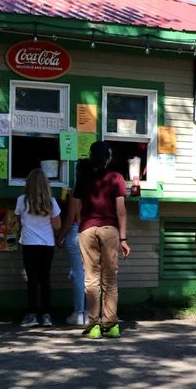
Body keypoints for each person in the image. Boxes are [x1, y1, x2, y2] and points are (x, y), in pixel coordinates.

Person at [71, 141, 130, 339]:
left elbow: (77, 209)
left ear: (90, 156)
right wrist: (123, 238)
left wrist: (83, 224)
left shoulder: (82, 178)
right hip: (110, 229)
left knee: (91, 278)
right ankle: (111, 325)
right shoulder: (117, 178)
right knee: (110, 279)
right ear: (109, 158)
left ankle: (94, 325)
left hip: (87, 229)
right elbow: (121, 212)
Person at [15, 168, 61, 327]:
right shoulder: (51, 202)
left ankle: (32, 314)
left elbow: (19, 220)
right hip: (47, 244)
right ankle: (47, 315)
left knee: (32, 280)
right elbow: (57, 225)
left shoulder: (22, 200)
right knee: (45, 279)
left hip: (29, 243)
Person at [56, 160, 88, 326]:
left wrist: (60, 236)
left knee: (78, 274)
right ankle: (90, 312)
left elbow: (71, 217)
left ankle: (79, 312)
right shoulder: (99, 189)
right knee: (91, 276)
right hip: (94, 234)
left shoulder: (78, 189)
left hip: (77, 232)